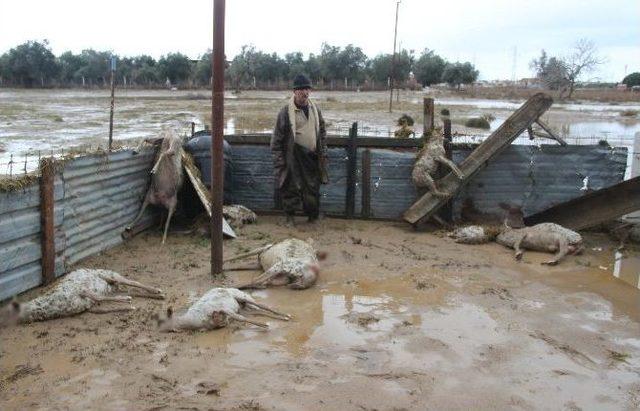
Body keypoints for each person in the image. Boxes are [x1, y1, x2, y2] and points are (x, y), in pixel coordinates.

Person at [271, 74, 328, 226]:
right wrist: (280, 162)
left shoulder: (315, 110)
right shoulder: (285, 112)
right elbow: (276, 140)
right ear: (294, 92)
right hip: (292, 157)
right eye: (302, 89)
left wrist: (323, 151)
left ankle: (312, 217)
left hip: (312, 157)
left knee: (312, 188)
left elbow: (322, 131)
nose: (305, 93)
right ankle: (290, 218)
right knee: (290, 187)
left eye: (307, 89)